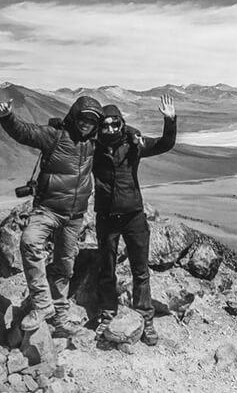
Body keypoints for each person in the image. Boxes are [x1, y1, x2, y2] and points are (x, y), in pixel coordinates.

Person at [0, 96, 103, 337]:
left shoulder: (95, 142)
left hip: (75, 216)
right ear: (75, 115)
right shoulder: (56, 136)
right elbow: (25, 132)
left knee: (64, 266)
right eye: (84, 117)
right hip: (48, 209)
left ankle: (60, 317)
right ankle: (42, 306)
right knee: (30, 243)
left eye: (92, 120)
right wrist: (7, 117)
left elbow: (118, 131)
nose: (87, 123)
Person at [93, 94, 177, 346]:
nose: (109, 129)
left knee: (140, 270)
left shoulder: (133, 144)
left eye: (114, 124)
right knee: (106, 269)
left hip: (133, 216)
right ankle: (107, 314)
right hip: (106, 217)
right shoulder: (93, 146)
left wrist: (170, 120)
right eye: (104, 125)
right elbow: (69, 130)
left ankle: (145, 317)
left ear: (120, 123)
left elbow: (164, 144)